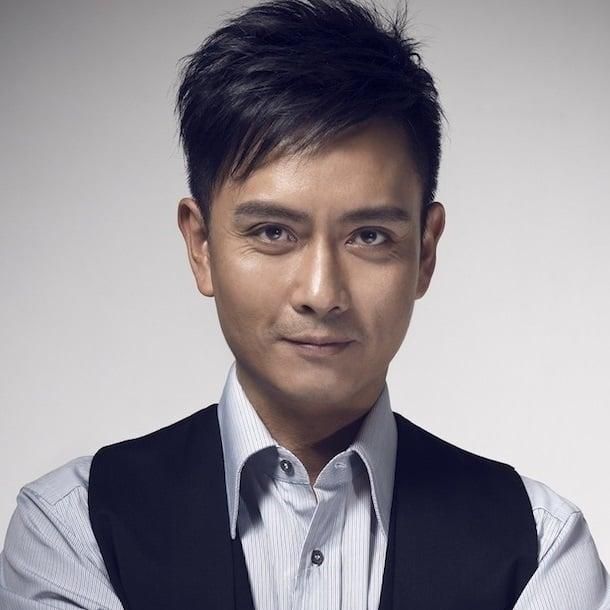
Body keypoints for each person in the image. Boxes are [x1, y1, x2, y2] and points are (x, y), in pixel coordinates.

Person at [1, 0, 608, 608]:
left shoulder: (541, 547)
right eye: (273, 232)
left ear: (425, 252)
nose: (321, 293)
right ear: (201, 245)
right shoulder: (72, 530)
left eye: (369, 236)